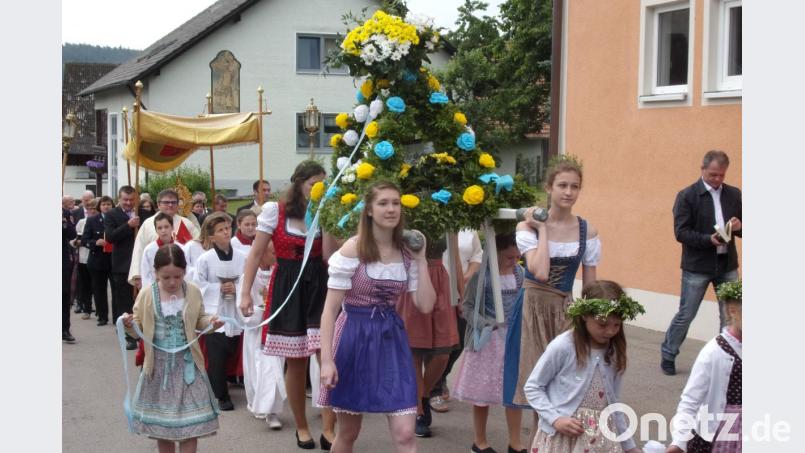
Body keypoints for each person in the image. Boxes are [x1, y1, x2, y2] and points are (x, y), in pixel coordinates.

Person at [318, 180, 436, 452]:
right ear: (369, 210)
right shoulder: (353, 249)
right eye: (383, 203)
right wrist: (326, 361)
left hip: (390, 340)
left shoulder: (407, 253)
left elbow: (426, 305)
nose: (391, 209)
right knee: (348, 432)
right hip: (352, 336)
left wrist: (421, 260)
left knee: (406, 434)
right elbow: (329, 310)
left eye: (396, 203)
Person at [239, 160, 336, 449]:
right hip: (289, 287)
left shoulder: (326, 209)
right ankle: (302, 426)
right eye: (313, 183)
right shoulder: (275, 211)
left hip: (320, 285)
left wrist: (327, 216)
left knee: (327, 357)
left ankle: (330, 427)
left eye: (323, 183)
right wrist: (246, 293)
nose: (319, 188)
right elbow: (255, 255)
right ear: (299, 183)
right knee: (296, 363)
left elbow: (330, 256)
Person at [505, 157, 600, 445]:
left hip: (566, 310)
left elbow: (592, 285)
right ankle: (526, 446)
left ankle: (550, 447)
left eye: (575, 186)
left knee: (562, 383)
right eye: (562, 185)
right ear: (549, 187)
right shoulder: (527, 228)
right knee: (532, 381)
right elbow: (541, 272)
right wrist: (543, 228)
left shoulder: (588, 231)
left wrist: (591, 320)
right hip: (531, 308)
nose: (568, 192)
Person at [121, 244, 223, 452]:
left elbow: (199, 319)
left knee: (191, 426)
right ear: (156, 272)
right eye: (165, 277)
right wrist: (130, 325)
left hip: (188, 368)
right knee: (164, 429)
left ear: (185, 272)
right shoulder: (147, 294)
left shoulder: (192, 291)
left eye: (177, 276)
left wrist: (210, 322)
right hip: (159, 369)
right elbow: (138, 327)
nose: (172, 282)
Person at [524, 280, 643, 453]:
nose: (610, 331)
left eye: (616, 325)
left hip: (600, 439)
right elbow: (533, 387)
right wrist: (555, 419)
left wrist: (629, 446)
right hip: (562, 439)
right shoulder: (563, 346)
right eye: (602, 324)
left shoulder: (613, 351)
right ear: (584, 315)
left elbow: (614, 403)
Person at [661, 150, 742, 376]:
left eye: (721, 175)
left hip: (726, 265)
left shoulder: (734, 194)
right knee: (687, 313)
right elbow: (681, 233)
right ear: (703, 169)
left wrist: (739, 227)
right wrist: (709, 240)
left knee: (729, 314)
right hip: (697, 265)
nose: (717, 179)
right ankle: (668, 353)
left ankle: (725, 357)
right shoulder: (687, 195)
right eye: (713, 174)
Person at [452, 233, 526, 453]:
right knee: (482, 394)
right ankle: (480, 441)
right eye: (509, 258)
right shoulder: (481, 277)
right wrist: (486, 324)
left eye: (517, 257)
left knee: (514, 393)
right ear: (494, 256)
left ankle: (515, 442)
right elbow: (467, 307)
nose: (514, 261)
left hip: (513, 340)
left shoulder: (520, 274)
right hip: (489, 342)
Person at [667, 280, 742, 453]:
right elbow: (691, 399)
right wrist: (679, 440)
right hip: (722, 434)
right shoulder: (714, 351)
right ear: (733, 311)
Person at [193, 212, 247, 411]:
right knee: (217, 353)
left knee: (234, 348)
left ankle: (236, 380)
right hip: (215, 311)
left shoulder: (242, 257)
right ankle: (221, 395)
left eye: (227, 228)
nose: (226, 232)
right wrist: (219, 288)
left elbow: (247, 278)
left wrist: (238, 288)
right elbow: (197, 285)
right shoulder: (205, 259)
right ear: (212, 236)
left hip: (235, 309)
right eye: (221, 230)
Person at [431, 229, 484, 413]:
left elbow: (477, 254)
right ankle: (433, 390)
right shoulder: (437, 223)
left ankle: (441, 375)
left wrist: (466, 276)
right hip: (436, 289)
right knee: (441, 344)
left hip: (462, 290)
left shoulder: (469, 228)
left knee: (460, 340)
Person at [244, 241, 285, 429]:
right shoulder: (249, 276)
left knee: (273, 370)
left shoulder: (281, 273)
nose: (277, 256)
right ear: (261, 254)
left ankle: (272, 411)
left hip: (276, 329)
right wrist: (261, 311)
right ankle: (257, 403)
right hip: (256, 330)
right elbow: (243, 306)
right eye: (273, 252)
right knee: (255, 371)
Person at [129, 189, 200, 290]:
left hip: (180, 278)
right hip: (153, 278)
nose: (170, 205)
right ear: (158, 204)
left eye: (173, 202)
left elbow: (197, 248)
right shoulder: (148, 224)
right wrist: (137, 275)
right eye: (166, 202)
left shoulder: (187, 223)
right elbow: (139, 249)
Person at [105, 185, 140, 350]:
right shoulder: (111, 214)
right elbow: (111, 237)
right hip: (122, 265)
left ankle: (140, 331)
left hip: (139, 263)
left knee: (139, 301)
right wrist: (128, 225)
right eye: (125, 199)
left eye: (131, 199)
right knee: (124, 301)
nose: (128, 203)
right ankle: (128, 335)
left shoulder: (140, 212)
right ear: (119, 199)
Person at [83, 195, 114, 326]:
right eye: (103, 204)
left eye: (108, 204)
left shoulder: (117, 219)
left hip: (114, 259)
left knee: (116, 290)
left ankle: (118, 315)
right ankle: (102, 316)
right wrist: (95, 242)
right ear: (99, 207)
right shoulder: (92, 220)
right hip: (97, 260)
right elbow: (84, 240)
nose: (106, 207)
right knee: (99, 290)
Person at [73, 199, 97, 319]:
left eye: (94, 208)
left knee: (96, 285)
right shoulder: (82, 222)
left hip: (96, 258)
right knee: (85, 285)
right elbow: (74, 240)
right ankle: (87, 309)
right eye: (89, 208)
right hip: (83, 257)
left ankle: (99, 310)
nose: (92, 211)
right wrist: (77, 242)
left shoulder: (101, 221)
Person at [140, 212, 175, 289]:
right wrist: (152, 290)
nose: (163, 230)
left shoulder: (181, 248)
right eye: (159, 228)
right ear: (156, 230)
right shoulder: (149, 249)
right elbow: (146, 274)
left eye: (166, 227)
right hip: (156, 289)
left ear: (172, 227)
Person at [63, 207, 77, 343]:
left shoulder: (65, 213)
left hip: (62, 260)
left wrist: (64, 222)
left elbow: (72, 234)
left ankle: (65, 329)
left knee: (64, 294)